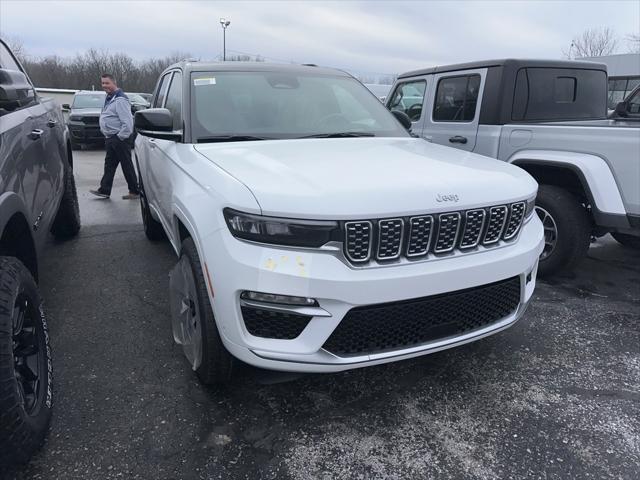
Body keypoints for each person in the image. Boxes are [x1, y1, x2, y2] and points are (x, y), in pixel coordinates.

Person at [89, 73, 139, 200]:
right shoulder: (110, 98)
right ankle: (104, 190)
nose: (104, 86)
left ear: (114, 83)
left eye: (107, 83)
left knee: (126, 164)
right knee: (109, 165)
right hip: (111, 138)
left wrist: (120, 137)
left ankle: (135, 191)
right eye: (103, 83)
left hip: (119, 139)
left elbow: (128, 123)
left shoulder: (120, 100)